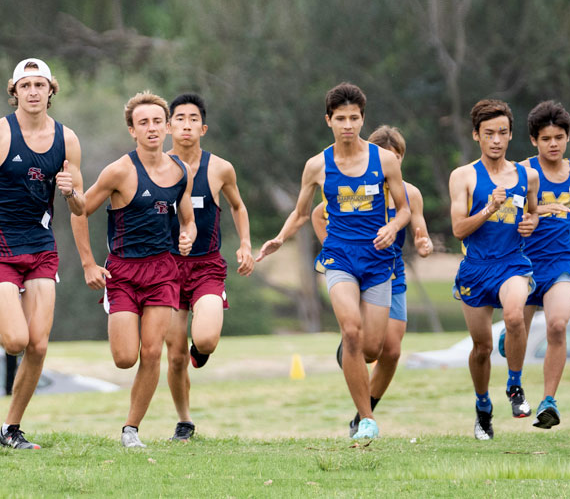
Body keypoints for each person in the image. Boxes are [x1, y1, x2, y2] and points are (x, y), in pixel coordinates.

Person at [256, 82, 410, 440]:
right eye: (340, 118)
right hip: (339, 257)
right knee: (353, 332)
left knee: (373, 347)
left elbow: (404, 209)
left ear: (362, 119)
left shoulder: (385, 161)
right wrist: (280, 238)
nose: (348, 125)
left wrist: (393, 226)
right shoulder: (316, 166)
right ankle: (366, 418)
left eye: (354, 118)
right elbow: (301, 213)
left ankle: (352, 352)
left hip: (378, 261)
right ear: (328, 120)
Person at [0, 58, 84, 449]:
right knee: (15, 341)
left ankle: (11, 428)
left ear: (50, 91)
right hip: (0, 243)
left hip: (41, 245)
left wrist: (71, 191)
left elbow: (80, 206)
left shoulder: (68, 140)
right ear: (14, 91)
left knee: (39, 345)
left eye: (39, 85)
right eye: (25, 86)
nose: (32, 92)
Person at [71, 91, 196, 448]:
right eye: (144, 123)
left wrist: (187, 236)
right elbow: (79, 211)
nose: (152, 128)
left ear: (169, 127)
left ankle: (131, 430)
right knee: (125, 358)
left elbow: (188, 220)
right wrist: (88, 263)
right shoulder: (119, 171)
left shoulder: (180, 172)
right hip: (123, 273)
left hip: (163, 272)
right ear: (132, 130)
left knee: (154, 351)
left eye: (158, 121)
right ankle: (131, 426)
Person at [311, 126, 433, 437]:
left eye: (397, 157)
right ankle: (360, 398)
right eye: (386, 157)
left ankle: (363, 415)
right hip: (356, 267)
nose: (391, 163)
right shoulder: (357, 189)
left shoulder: (411, 194)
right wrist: (333, 249)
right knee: (365, 348)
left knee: (390, 352)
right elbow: (316, 214)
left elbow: (420, 230)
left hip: (392, 273)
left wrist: (424, 245)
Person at [163, 93, 254, 441]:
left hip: (207, 267)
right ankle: (184, 421)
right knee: (173, 358)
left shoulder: (220, 168)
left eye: (193, 119)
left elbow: (239, 207)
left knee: (206, 339)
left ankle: (199, 351)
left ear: (203, 127)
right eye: (179, 118)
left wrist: (245, 244)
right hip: (166, 269)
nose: (186, 125)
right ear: (169, 126)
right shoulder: (155, 166)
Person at [449, 99, 539, 440]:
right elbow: (458, 229)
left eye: (503, 132)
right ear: (476, 135)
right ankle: (483, 407)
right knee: (482, 347)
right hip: (475, 268)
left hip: (512, 263)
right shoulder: (464, 176)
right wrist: (489, 207)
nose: (497, 140)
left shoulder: (527, 176)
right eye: (489, 133)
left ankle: (514, 387)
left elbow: (531, 213)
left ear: (511, 135)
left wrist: (530, 222)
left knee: (515, 317)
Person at [512, 100, 570, 428]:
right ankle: (512, 346)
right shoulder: (523, 172)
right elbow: (512, 213)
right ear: (534, 140)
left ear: (567, 138)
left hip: (561, 261)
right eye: (546, 139)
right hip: (523, 263)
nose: (553, 144)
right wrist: (534, 214)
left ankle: (549, 401)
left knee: (557, 326)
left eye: (559, 137)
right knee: (517, 326)